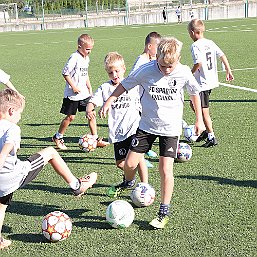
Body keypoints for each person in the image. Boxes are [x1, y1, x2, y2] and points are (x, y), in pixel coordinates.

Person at [99, 37, 205, 229]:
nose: (165, 70)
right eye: (162, 65)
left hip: (170, 129)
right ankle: (129, 183)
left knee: (166, 170)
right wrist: (109, 101)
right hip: (146, 126)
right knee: (129, 164)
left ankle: (163, 211)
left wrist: (199, 119)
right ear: (157, 57)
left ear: (178, 58)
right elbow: (125, 84)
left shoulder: (183, 72)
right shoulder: (146, 70)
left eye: (169, 66)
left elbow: (194, 93)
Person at [0, 88, 97, 250]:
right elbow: (6, 149)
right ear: (11, 111)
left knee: (2, 205)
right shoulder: (12, 128)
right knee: (51, 152)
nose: (19, 117)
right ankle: (77, 186)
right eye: (19, 113)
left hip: (2, 180)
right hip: (12, 175)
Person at [86, 52, 148, 197]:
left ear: (124, 69)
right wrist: (90, 107)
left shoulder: (132, 84)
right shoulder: (105, 88)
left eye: (117, 71)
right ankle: (130, 180)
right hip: (118, 132)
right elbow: (93, 100)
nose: (114, 75)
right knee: (121, 163)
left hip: (134, 128)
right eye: (110, 72)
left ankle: (145, 186)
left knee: (139, 159)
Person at [52, 33, 109, 150]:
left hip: (84, 93)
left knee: (91, 114)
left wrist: (89, 87)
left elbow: (85, 74)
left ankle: (94, 138)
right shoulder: (74, 57)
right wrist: (73, 86)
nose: (89, 52)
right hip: (72, 95)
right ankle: (58, 137)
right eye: (87, 49)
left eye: (91, 49)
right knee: (70, 117)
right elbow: (65, 72)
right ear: (79, 46)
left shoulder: (86, 58)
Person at [188, 19, 234, 147]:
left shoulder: (195, 46)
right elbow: (222, 55)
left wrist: (190, 73)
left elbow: (199, 63)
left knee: (203, 111)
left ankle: (211, 136)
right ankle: (205, 130)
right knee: (193, 105)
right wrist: (228, 70)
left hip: (202, 83)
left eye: (189, 33)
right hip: (211, 81)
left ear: (192, 32)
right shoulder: (210, 42)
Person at [130, 31, 162, 168]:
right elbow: (131, 79)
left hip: (145, 101)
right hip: (137, 101)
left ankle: (146, 150)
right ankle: (140, 158)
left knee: (147, 127)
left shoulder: (150, 60)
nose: (159, 50)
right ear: (149, 46)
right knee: (140, 130)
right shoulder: (141, 61)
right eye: (158, 47)